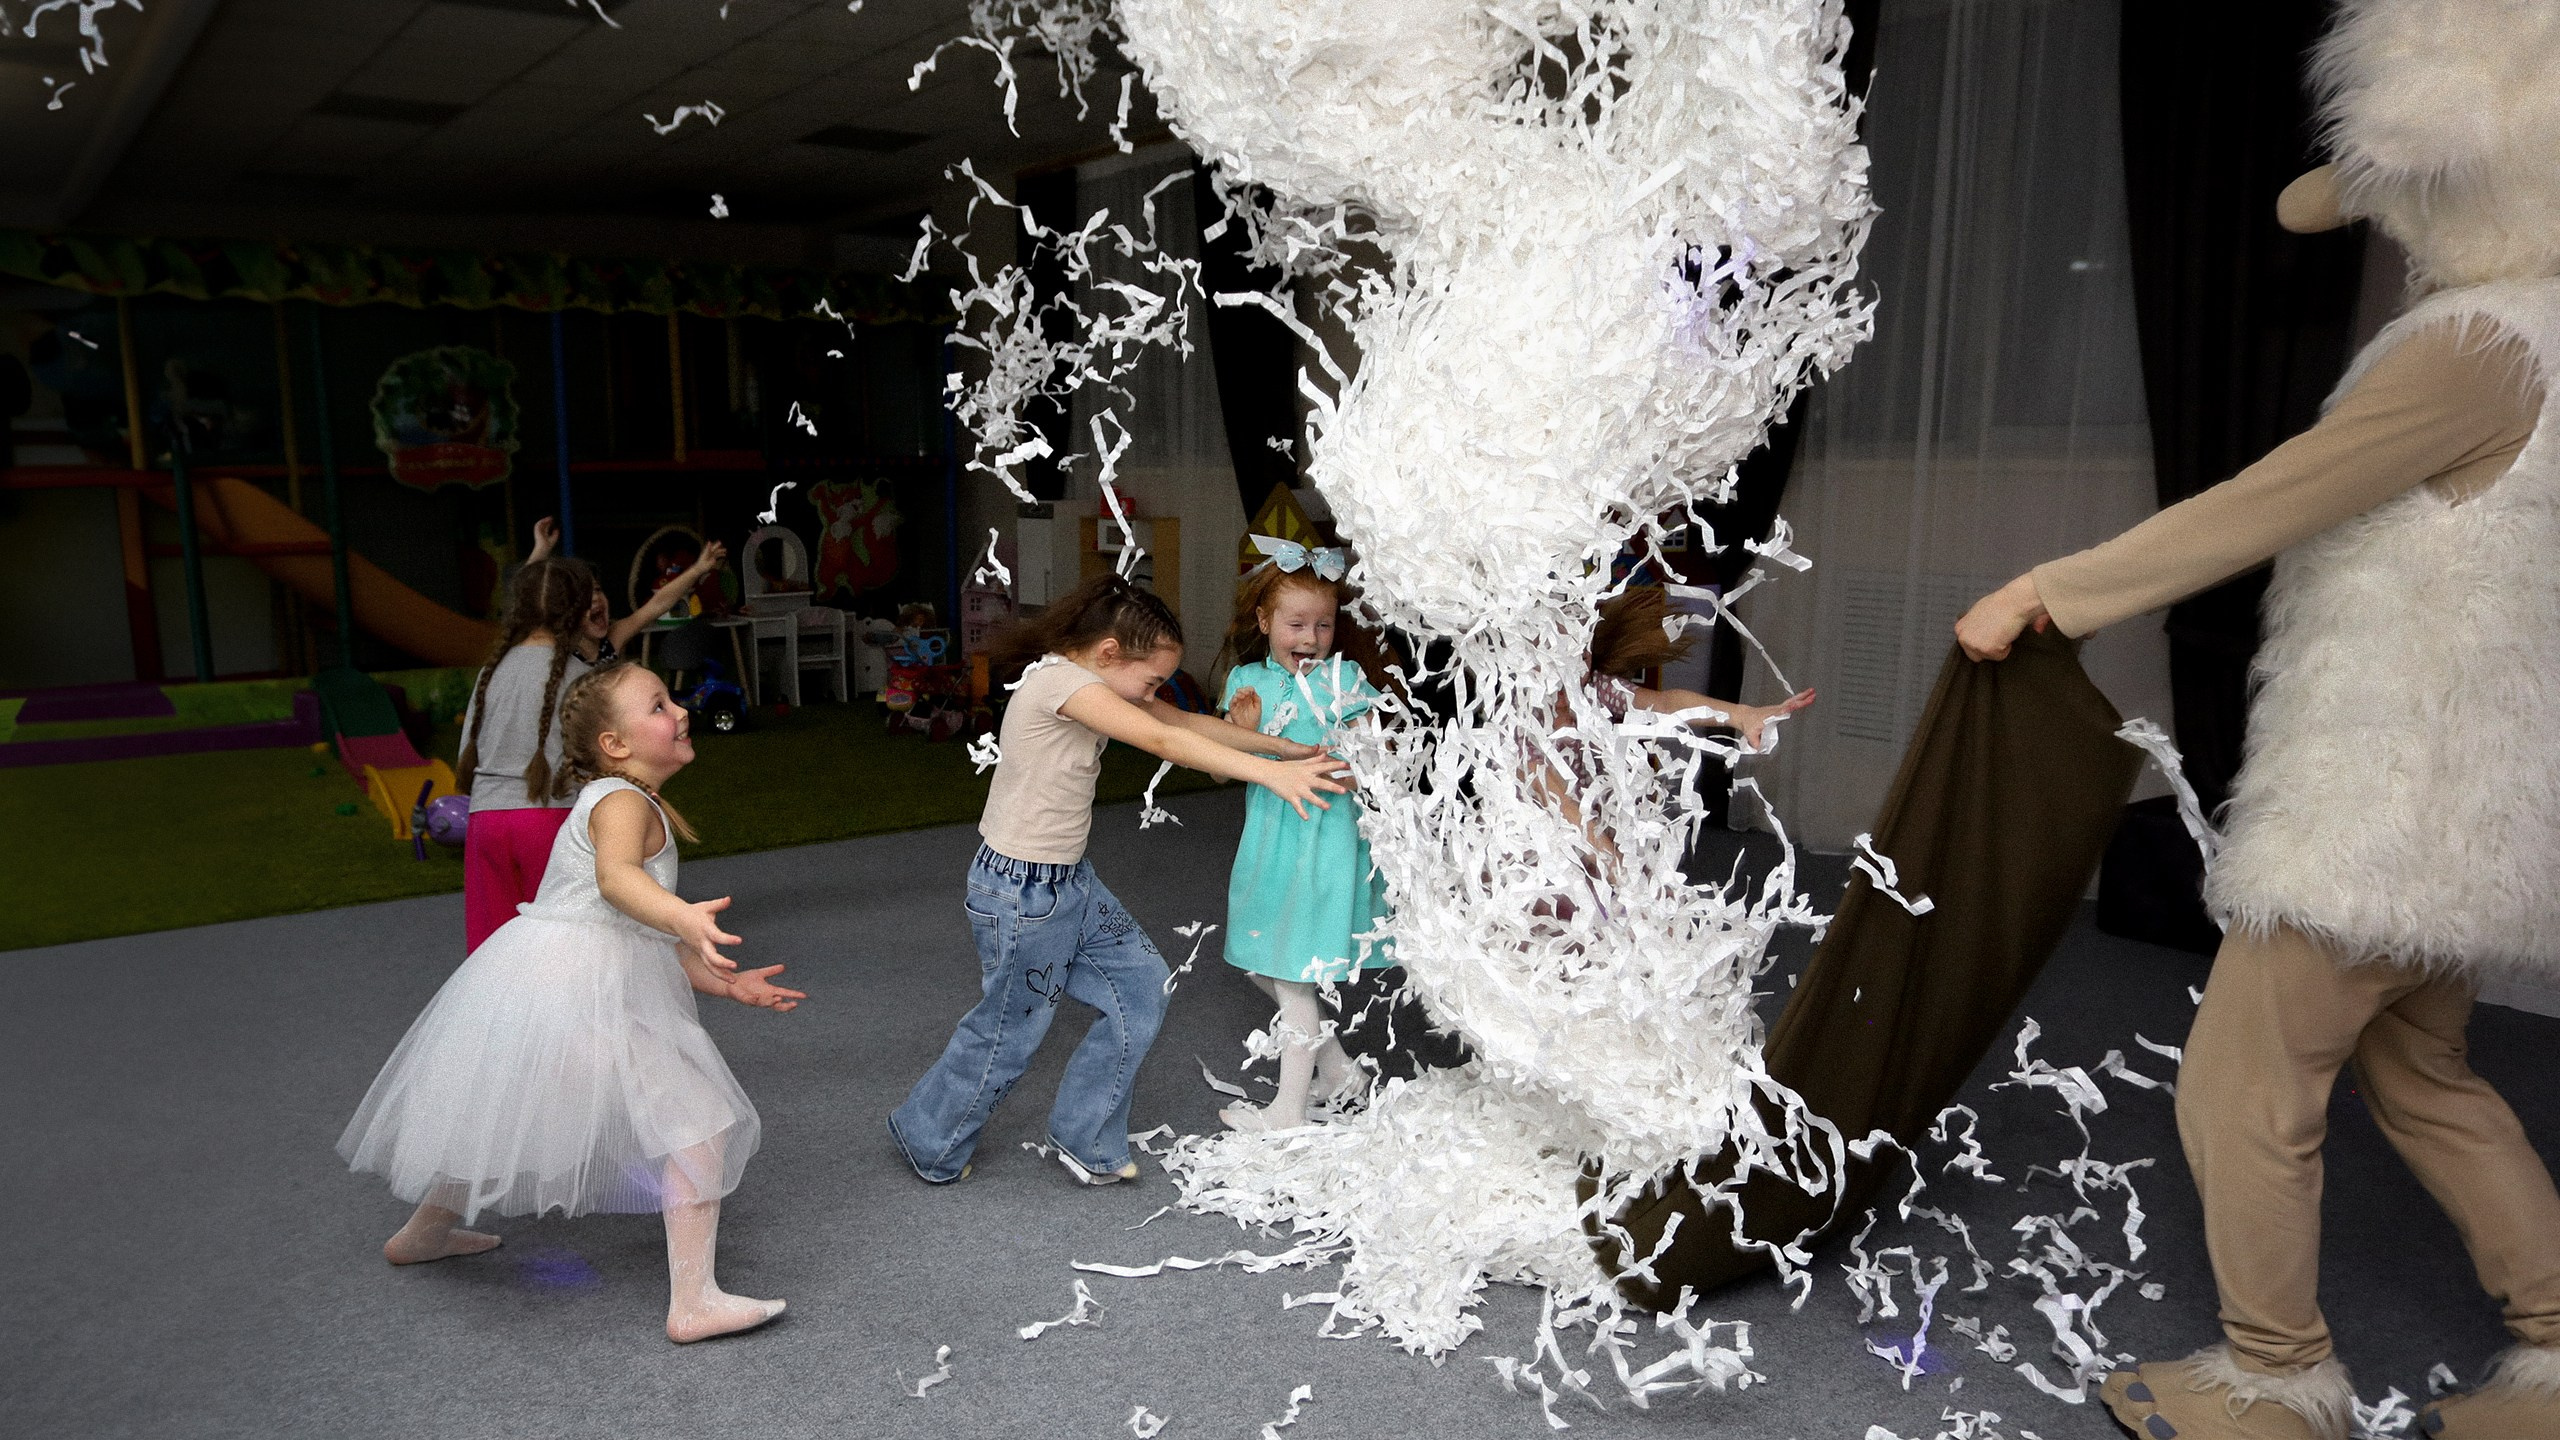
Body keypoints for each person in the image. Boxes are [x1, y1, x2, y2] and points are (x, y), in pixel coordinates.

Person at [1956, 15, 2560, 1428]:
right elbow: (2325, 194)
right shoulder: (2548, 335)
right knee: (2427, 1075)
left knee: (2244, 1083)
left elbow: (2275, 495)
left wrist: (2055, 589)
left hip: (2386, 796)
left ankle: (2277, 1382)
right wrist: (2363, 166)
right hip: (2474, 795)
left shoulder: (2471, 347)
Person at [340, 661, 806, 1343]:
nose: (677, 710)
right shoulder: (623, 804)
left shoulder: (621, 799)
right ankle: (694, 1301)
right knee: (700, 1126)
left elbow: (635, 921)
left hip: (544, 980)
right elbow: (617, 882)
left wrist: (727, 981)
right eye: (657, 704)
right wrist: (681, 916)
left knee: (495, 1112)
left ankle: (422, 1234)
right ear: (615, 745)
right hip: (579, 988)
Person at [888, 573, 1351, 1187]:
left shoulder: (1101, 680)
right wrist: (1270, 777)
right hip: (1021, 893)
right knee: (1008, 1030)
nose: (1154, 691)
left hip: (1070, 885)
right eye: (1151, 678)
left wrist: (1282, 751)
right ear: (1109, 653)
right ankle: (929, 1137)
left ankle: (1083, 1134)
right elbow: (1162, 739)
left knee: (1142, 990)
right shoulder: (1060, 683)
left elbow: (1182, 723)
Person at [455, 518, 724, 952]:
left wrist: (539, 553)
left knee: (494, 952)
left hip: (485, 819)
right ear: (574, 611)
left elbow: (468, 749)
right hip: (548, 815)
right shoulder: (584, 682)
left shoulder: (493, 671)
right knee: (568, 946)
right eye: (588, 596)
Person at [1214, 550, 1395, 1132]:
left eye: (1323, 624)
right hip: (1270, 841)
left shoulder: (1346, 680)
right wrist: (1242, 735)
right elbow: (1221, 771)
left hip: (1324, 843)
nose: (1311, 637)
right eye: (1296, 624)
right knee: (1256, 960)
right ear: (1265, 623)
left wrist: (1358, 760)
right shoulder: (1246, 682)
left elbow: (1375, 761)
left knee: (1293, 975)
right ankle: (1338, 1070)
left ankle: (1286, 1114)